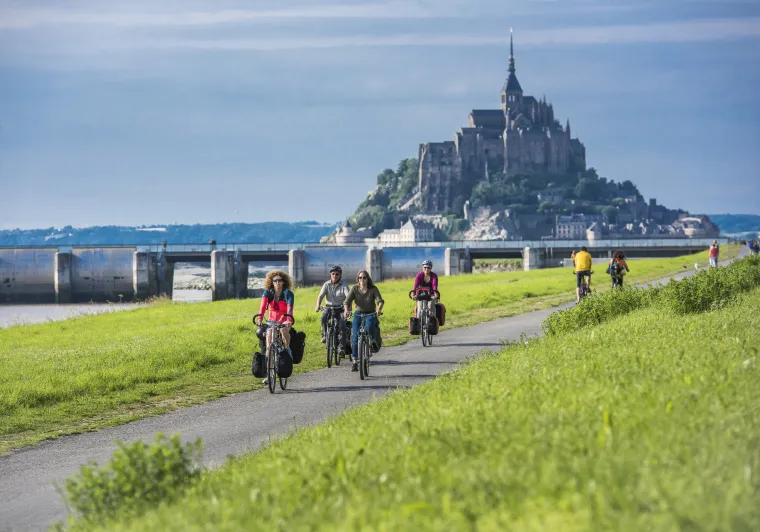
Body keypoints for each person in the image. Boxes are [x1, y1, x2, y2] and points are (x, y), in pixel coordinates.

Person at [256, 270, 294, 383]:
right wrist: (260, 318)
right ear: (271, 282)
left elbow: (290, 308)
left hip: (284, 320)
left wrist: (288, 319)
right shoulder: (268, 293)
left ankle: (287, 349)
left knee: (284, 331)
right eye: (275, 281)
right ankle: (269, 375)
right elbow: (263, 306)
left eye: (279, 280)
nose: (277, 282)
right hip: (271, 321)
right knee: (269, 341)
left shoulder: (288, 293)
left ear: (283, 282)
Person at [344, 270, 384, 372]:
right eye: (360, 278)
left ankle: (373, 341)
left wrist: (379, 310)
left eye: (364, 277)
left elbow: (380, 300)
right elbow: (347, 301)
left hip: (370, 313)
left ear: (367, 279)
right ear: (358, 279)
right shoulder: (355, 289)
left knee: (370, 326)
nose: (362, 279)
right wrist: (346, 311)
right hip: (358, 314)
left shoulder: (373, 289)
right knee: (355, 337)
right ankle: (354, 361)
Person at [314, 265, 350, 355]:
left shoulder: (344, 284)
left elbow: (348, 296)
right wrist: (317, 305)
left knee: (342, 325)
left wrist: (348, 309)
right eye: (333, 274)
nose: (334, 276)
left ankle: (341, 347)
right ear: (330, 275)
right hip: (328, 307)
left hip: (341, 308)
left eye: (337, 274)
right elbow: (320, 296)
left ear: (340, 275)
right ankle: (325, 335)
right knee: (323, 318)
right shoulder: (326, 284)